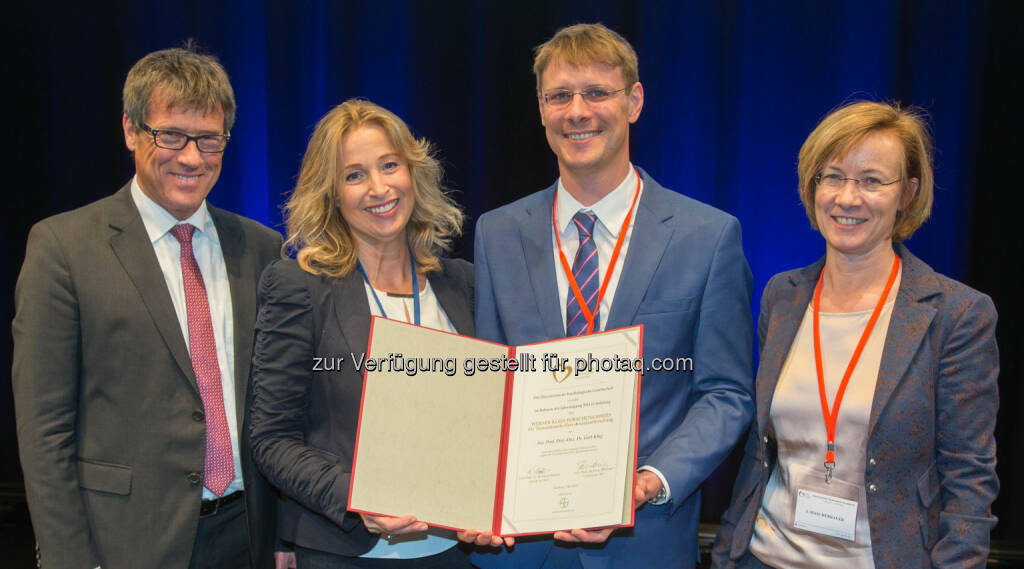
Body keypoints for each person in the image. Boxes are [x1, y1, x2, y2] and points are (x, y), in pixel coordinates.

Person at [468, 23, 755, 569]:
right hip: (519, 548)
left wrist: (648, 482)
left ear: (634, 101)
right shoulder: (497, 232)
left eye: (597, 92)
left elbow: (726, 393)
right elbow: (491, 387)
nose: (578, 111)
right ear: (541, 109)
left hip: (642, 540)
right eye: (560, 96)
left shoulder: (708, 236)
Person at [12, 45, 285, 569]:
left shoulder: (262, 248)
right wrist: (68, 557)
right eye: (171, 136)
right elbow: (44, 429)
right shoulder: (62, 247)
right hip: (124, 541)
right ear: (131, 131)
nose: (192, 157)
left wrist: (283, 538)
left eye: (209, 139)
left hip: (247, 535)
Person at [711, 101, 1000, 568]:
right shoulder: (782, 297)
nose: (848, 197)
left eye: (871, 180)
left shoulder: (955, 314)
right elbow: (760, 453)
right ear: (812, 186)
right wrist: (728, 553)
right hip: (764, 556)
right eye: (833, 176)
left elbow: (969, 479)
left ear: (907, 192)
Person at [249, 99, 477, 568]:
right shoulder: (300, 287)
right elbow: (271, 438)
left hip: (457, 551)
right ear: (330, 193)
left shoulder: (463, 283)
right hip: (348, 553)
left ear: (413, 172)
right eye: (354, 175)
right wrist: (358, 497)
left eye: (390, 166)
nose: (379, 188)